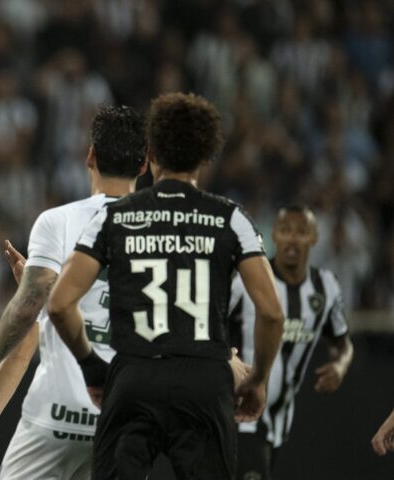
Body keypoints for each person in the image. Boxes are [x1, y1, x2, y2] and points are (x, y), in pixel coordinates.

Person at [47, 92, 285, 480]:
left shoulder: (116, 217)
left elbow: (59, 304)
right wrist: (257, 380)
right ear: (206, 157)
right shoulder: (231, 218)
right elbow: (272, 312)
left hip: (134, 377)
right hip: (206, 382)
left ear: (151, 153)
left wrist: (92, 367)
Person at [0, 106, 149, 480]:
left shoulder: (59, 221)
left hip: (56, 415)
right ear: (145, 165)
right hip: (126, 417)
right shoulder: (159, 235)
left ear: (90, 157)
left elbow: (28, 314)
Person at [229, 205, 353, 480]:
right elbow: (213, 325)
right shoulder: (246, 283)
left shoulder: (326, 286)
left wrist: (340, 365)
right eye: (285, 230)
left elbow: (342, 342)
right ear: (273, 234)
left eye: (301, 231)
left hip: (280, 419)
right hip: (240, 414)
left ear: (314, 237)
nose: (292, 239)